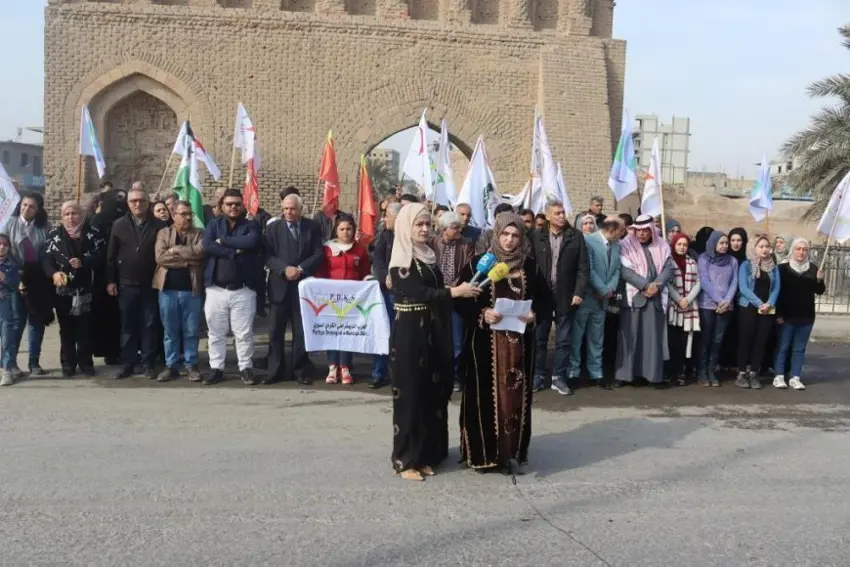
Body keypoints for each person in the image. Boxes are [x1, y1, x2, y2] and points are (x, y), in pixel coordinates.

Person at [388, 203, 479, 481]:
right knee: (411, 396)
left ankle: (426, 454)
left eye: (428, 224)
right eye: (419, 225)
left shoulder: (428, 256)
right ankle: (406, 460)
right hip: (410, 335)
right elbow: (419, 292)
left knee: (431, 393)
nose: (425, 229)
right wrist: (455, 291)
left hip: (432, 330)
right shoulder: (401, 261)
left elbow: (435, 291)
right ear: (406, 227)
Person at [457, 212, 546, 473]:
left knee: (515, 398)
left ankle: (511, 452)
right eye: (505, 234)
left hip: (519, 345)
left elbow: (545, 298)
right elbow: (459, 300)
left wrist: (534, 314)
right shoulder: (477, 265)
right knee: (482, 396)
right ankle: (483, 454)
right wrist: (481, 312)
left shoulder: (531, 267)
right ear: (496, 234)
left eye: (515, 235)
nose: (509, 240)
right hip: (485, 344)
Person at [107, 187, 168, 379]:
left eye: (141, 200)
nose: (137, 204)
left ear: (148, 202)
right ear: (128, 203)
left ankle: (148, 363)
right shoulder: (119, 225)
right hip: (126, 284)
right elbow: (111, 255)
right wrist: (110, 280)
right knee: (127, 325)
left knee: (149, 324)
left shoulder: (159, 225)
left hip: (151, 284)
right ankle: (127, 363)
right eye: (133, 201)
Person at [203, 189, 262, 386]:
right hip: (216, 289)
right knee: (216, 332)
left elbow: (251, 241)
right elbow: (208, 246)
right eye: (229, 204)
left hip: (243, 289)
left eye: (237, 203)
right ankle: (216, 368)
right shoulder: (213, 224)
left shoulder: (251, 225)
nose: (233, 207)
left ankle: (245, 367)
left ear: (242, 205)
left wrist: (225, 241)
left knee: (243, 333)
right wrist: (234, 252)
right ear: (222, 206)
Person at [264, 193, 324, 385]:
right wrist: (283, 269)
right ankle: (275, 371)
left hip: (303, 287)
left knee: (301, 331)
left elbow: (318, 253)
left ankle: (300, 370)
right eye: (285, 209)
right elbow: (266, 255)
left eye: (292, 209)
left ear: (300, 209)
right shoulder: (273, 228)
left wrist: (300, 269)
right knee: (275, 332)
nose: (288, 212)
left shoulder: (312, 227)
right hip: (279, 287)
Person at [42, 202, 106, 378]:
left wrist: (84, 262)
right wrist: (54, 273)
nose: (71, 217)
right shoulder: (54, 235)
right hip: (63, 291)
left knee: (85, 328)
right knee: (66, 329)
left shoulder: (93, 234)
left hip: (85, 290)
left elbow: (102, 256)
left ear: (82, 214)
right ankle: (68, 363)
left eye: (75, 213)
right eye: (67, 214)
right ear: (62, 216)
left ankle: (86, 362)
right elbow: (46, 259)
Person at [531, 200, 588, 395]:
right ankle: (538, 375)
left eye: (563, 212)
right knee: (539, 338)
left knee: (564, 340)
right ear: (547, 216)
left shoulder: (576, 237)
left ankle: (559, 377)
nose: (562, 216)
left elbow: (583, 268)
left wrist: (579, 292)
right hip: (541, 296)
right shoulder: (536, 237)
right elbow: (529, 268)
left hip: (566, 296)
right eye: (557, 213)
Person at [615, 215, 675, 387]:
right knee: (630, 337)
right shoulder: (625, 245)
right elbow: (625, 271)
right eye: (638, 230)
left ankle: (653, 376)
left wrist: (656, 285)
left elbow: (668, 268)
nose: (641, 234)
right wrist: (643, 285)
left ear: (651, 230)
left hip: (655, 297)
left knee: (652, 339)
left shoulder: (662, 245)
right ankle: (625, 375)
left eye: (645, 230)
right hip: (634, 297)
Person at [152, 201, 205, 383]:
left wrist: (176, 251)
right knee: (170, 331)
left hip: (192, 290)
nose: (188, 217)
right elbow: (160, 257)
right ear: (174, 215)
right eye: (184, 214)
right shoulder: (164, 233)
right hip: (167, 291)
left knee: (191, 331)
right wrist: (187, 260)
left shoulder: (199, 233)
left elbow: (200, 253)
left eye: (190, 213)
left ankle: (191, 365)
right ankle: (171, 365)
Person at [316, 214, 371, 385]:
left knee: (347, 332)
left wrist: (368, 280)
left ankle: (345, 367)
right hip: (331, 299)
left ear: (353, 230)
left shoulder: (360, 249)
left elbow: (364, 272)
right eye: (342, 229)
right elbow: (321, 272)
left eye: (349, 229)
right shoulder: (327, 249)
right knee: (333, 331)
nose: (346, 232)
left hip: (352, 300)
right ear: (336, 231)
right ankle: (333, 366)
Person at [570, 216, 621, 389]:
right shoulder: (588, 241)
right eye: (621, 231)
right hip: (587, 297)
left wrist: (609, 290)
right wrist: (603, 290)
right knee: (577, 337)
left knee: (597, 338)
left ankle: (596, 373)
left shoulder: (616, 245)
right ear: (612, 229)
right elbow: (588, 269)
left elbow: (617, 270)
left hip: (603, 300)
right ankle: (573, 372)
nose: (622, 235)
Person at [7, 192, 52, 377]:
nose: (27, 209)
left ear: (38, 209)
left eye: (31, 206)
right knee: (16, 322)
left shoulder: (46, 227)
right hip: (14, 278)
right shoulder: (9, 224)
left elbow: (47, 254)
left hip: (37, 280)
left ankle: (34, 362)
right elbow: (4, 250)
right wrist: (16, 277)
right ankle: (12, 363)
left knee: (36, 322)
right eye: (24, 205)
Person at [430, 211, 474, 391]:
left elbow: (468, 269)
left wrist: (455, 289)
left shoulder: (466, 245)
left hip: (458, 298)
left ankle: (455, 375)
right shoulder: (431, 244)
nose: (457, 231)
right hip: (437, 297)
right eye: (454, 227)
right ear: (443, 229)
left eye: (459, 227)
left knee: (457, 341)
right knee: (436, 338)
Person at [773, 238, 825, 390]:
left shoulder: (813, 268)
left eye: (804, 249)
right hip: (786, 315)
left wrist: (820, 280)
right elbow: (778, 292)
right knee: (783, 346)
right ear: (792, 250)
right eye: (798, 249)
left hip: (806, 315)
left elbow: (819, 291)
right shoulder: (782, 268)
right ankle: (779, 375)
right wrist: (778, 314)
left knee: (799, 348)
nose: (801, 252)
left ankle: (795, 376)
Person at [735, 235, 780, 389]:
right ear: (754, 248)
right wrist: (759, 303)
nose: (764, 249)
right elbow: (743, 287)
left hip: (767, 309)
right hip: (748, 307)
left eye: (767, 246)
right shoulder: (746, 265)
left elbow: (776, 288)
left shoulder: (773, 267)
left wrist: (769, 303)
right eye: (761, 246)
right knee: (745, 340)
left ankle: (754, 373)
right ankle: (741, 373)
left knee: (761, 341)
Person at [89, 189, 127, 366]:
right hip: (104, 275)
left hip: (124, 274)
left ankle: (118, 351)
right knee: (107, 315)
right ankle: (110, 351)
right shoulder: (98, 221)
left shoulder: (126, 219)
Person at [696, 230, 738, 387]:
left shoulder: (732, 261)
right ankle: (701, 371)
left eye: (726, 243)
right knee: (706, 339)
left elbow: (734, 282)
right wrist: (719, 300)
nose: (724, 246)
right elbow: (705, 281)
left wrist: (727, 301)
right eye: (721, 243)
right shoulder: (704, 259)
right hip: (707, 304)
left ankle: (711, 370)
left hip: (726, 307)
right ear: (713, 243)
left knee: (718, 340)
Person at [370, 202, 401, 389]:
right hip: (385, 292)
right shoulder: (384, 235)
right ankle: (378, 373)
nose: (384, 219)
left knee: (400, 336)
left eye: (387, 215)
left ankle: (398, 374)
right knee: (382, 332)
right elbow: (378, 261)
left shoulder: (409, 237)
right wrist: (384, 277)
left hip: (404, 295)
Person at [665, 234, 701, 386]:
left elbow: (698, 282)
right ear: (674, 245)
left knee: (686, 342)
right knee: (673, 341)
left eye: (684, 244)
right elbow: (667, 283)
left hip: (689, 306)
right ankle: (670, 371)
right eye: (679, 244)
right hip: (674, 307)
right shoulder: (669, 262)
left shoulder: (692, 262)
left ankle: (682, 371)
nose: (682, 247)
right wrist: (679, 299)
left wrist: (688, 299)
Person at [719, 227, 749, 370]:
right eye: (733, 240)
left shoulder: (747, 261)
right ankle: (722, 362)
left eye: (739, 240)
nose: (736, 243)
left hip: (741, 303)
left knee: (739, 332)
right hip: (724, 300)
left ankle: (736, 363)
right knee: (724, 332)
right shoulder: (724, 259)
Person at [0, 234, 21, 386]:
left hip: (5, 305)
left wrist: (4, 277)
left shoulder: (12, 264)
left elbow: (14, 284)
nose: (2, 247)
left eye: (5, 244)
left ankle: (7, 369)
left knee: (7, 338)